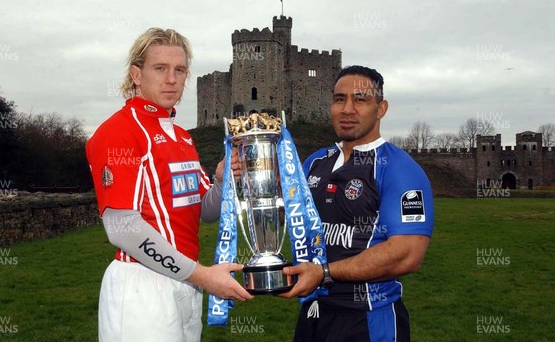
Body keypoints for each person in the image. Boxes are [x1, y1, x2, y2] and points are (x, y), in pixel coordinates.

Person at [86, 27, 253, 342]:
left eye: (180, 70)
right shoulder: (119, 132)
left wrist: (221, 181)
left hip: (184, 282)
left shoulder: (182, 136)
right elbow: (121, 228)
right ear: (137, 74)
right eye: (160, 68)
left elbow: (203, 210)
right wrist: (203, 276)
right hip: (142, 285)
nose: (172, 79)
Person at [279, 65, 434, 341]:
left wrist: (323, 272)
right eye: (340, 99)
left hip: (368, 319)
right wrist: (254, 179)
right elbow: (289, 219)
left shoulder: (400, 169)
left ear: (381, 108)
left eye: (360, 99)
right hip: (313, 313)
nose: (347, 109)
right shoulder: (315, 162)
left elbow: (408, 254)